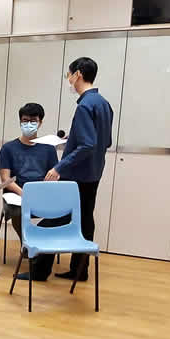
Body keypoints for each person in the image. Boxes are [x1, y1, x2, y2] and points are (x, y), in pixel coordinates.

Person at [24, 56, 113, 282]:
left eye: (69, 75)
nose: (69, 80)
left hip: (78, 175)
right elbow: (104, 142)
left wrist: (59, 167)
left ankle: (39, 270)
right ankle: (79, 270)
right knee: (85, 220)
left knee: (57, 217)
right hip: (94, 172)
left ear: (78, 74)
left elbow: (87, 145)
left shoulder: (85, 106)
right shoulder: (103, 104)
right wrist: (71, 141)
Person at [0, 102, 60, 245]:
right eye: (25, 121)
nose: (29, 124)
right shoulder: (8, 148)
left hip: (41, 193)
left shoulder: (48, 148)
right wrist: (25, 194)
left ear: (40, 122)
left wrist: (44, 189)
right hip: (17, 194)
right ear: (20, 122)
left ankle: (38, 241)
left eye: (33, 121)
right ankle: (26, 244)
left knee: (63, 210)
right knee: (18, 212)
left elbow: (54, 176)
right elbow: (5, 179)